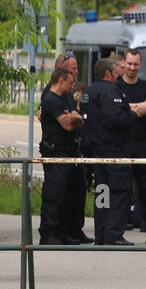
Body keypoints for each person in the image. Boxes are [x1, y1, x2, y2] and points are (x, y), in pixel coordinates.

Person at [81, 56, 146, 245]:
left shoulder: (89, 91)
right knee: (119, 192)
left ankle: (101, 233)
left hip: (96, 152)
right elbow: (117, 119)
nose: (121, 72)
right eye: (118, 69)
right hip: (114, 152)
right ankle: (113, 234)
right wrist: (133, 114)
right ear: (108, 72)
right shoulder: (110, 90)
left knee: (102, 192)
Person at [116, 48, 146, 244]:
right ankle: (116, 233)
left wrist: (128, 107)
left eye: (136, 64)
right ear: (123, 63)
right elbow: (115, 109)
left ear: (141, 65)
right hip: (122, 143)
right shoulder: (116, 86)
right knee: (121, 191)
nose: (132, 68)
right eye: (129, 63)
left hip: (144, 143)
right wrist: (139, 107)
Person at [37, 66, 89, 245]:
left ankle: (65, 231)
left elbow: (77, 117)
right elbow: (67, 125)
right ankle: (48, 232)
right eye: (70, 81)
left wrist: (75, 118)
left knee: (72, 193)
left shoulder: (66, 97)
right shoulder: (51, 100)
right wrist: (75, 119)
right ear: (60, 80)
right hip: (56, 152)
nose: (73, 84)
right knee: (54, 194)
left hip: (71, 151)